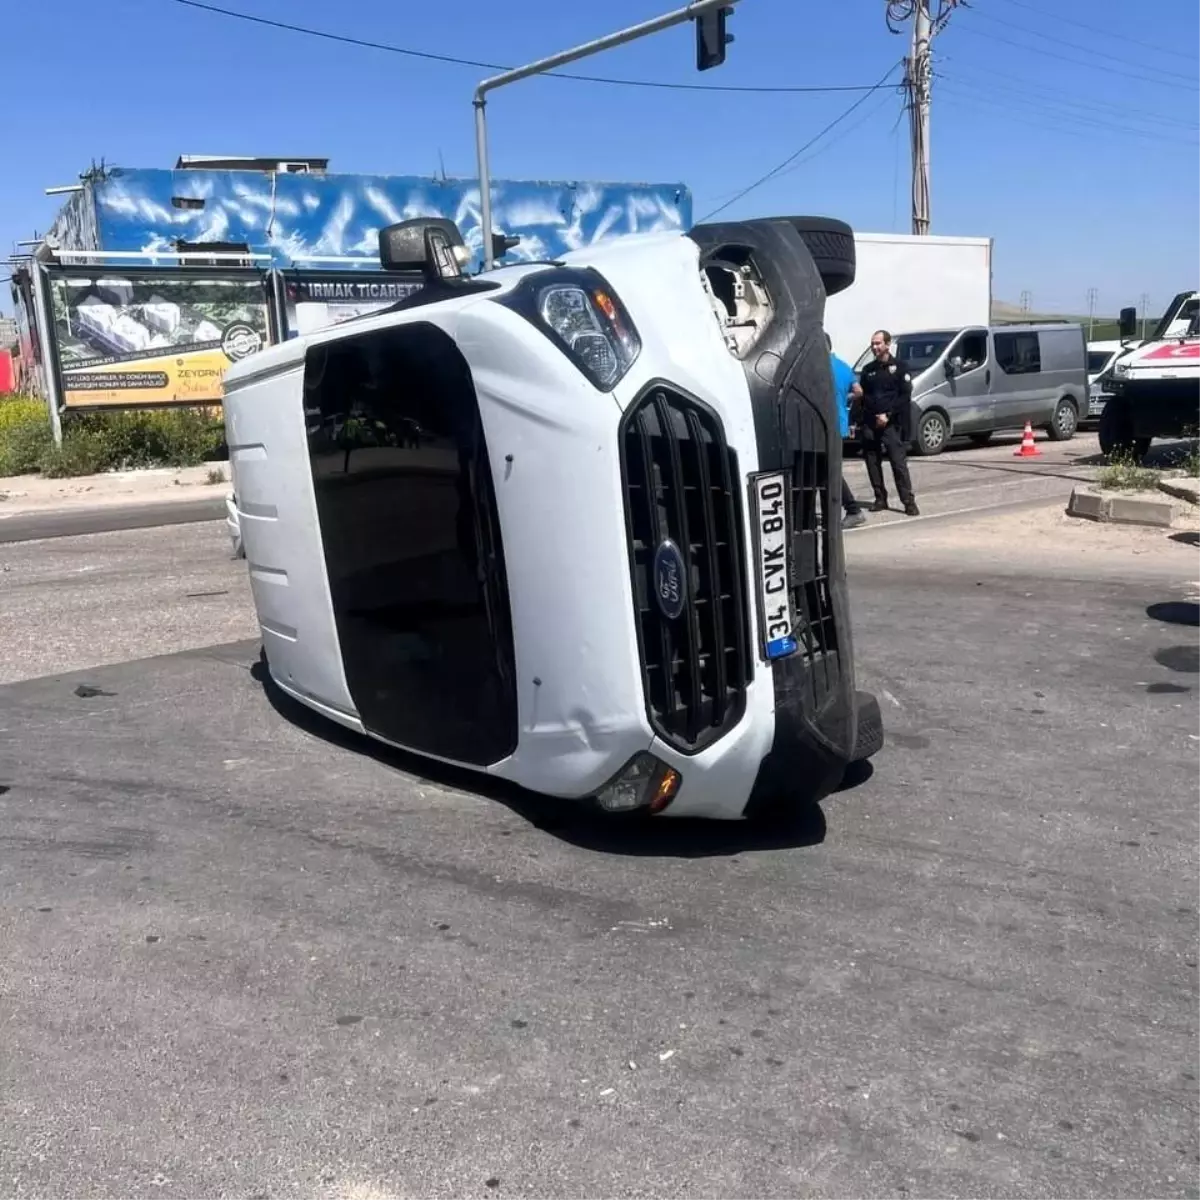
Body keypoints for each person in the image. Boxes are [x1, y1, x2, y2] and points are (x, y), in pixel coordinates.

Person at [859, 329, 920, 517]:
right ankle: (880, 497)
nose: (875, 347)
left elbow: (904, 396)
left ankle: (908, 501)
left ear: (887, 344)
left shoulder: (900, 367)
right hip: (871, 422)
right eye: (873, 343)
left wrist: (887, 414)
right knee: (872, 461)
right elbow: (863, 396)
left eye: (878, 343)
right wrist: (867, 417)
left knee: (898, 463)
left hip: (891, 423)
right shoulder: (868, 371)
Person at [826, 334, 866, 529]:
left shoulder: (821, 367)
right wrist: (843, 396)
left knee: (829, 472)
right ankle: (842, 511)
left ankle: (853, 509)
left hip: (825, 426)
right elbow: (858, 391)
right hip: (839, 423)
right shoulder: (842, 365)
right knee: (827, 470)